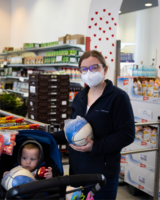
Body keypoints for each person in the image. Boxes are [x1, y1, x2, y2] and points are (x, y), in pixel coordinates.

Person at [52, 50, 135, 199]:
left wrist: (95, 146)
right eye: (84, 69)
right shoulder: (80, 97)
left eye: (94, 67)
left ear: (105, 69)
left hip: (102, 175)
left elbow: (127, 135)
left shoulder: (118, 97)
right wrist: (42, 136)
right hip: (76, 172)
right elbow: (72, 132)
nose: (88, 72)